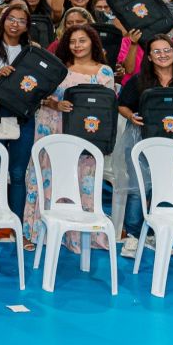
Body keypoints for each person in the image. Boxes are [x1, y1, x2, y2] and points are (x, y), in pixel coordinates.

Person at [22, 24, 115, 253]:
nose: (77, 46)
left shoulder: (104, 72)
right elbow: (38, 96)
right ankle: (42, 230)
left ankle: (79, 234)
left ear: (93, 42)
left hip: (86, 133)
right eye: (72, 41)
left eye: (82, 41)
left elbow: (106, 106)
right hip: (52, 127)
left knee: (82, 177)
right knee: (49, 176)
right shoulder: (58, 67)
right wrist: (55, 104)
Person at [116, 33, 173, 257]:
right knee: (138, 190)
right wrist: (131, 116)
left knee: (165, 189)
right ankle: (133, 236)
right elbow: (122, 105)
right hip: (141, 142)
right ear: (149, 57)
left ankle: (158, 234)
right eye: (156, 51)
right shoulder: (139, 80)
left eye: (167, 50)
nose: (162, 55)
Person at [0, 1, 35, 222]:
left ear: (27, 26)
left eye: (21, 21)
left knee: (18, 172)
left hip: (23, 114)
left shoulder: (32, 50)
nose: (15, 24)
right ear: (2, 21)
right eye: (11, 19)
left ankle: (16, 225)